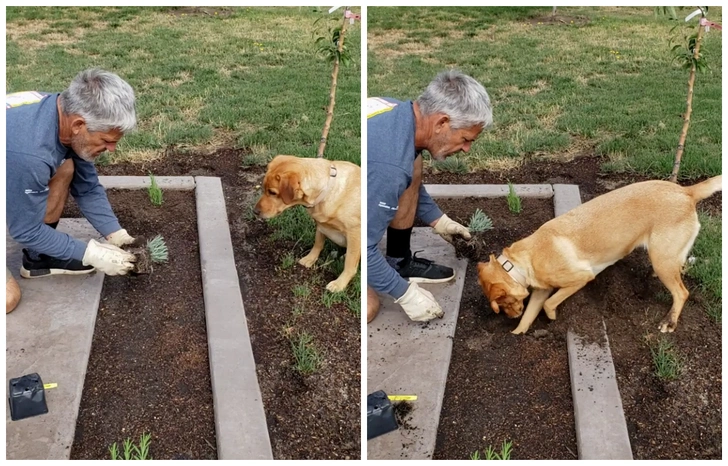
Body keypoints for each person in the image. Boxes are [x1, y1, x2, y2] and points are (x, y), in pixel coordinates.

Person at [6, 68, 139, 314]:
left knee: (66, 167)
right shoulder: (30, 153)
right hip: (15, 159)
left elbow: (87, 187)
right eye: (107, 141)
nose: (112, 149)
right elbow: (24, 230)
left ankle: (39, 258)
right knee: (8, 300)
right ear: (79, 125)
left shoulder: (63, 114)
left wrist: (116, 234)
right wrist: (90, 253)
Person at [367, 69, 493, 323]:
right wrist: (405, 294)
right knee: (368, 308)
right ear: (442, 123)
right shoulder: (389, 167)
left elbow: (405, 179)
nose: (467, 149)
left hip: (364, 176)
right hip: (343, 209)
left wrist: (439, 221)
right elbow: (363, 247)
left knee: (412, 163)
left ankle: (399, 261)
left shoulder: (398, 113)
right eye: (466, 139)